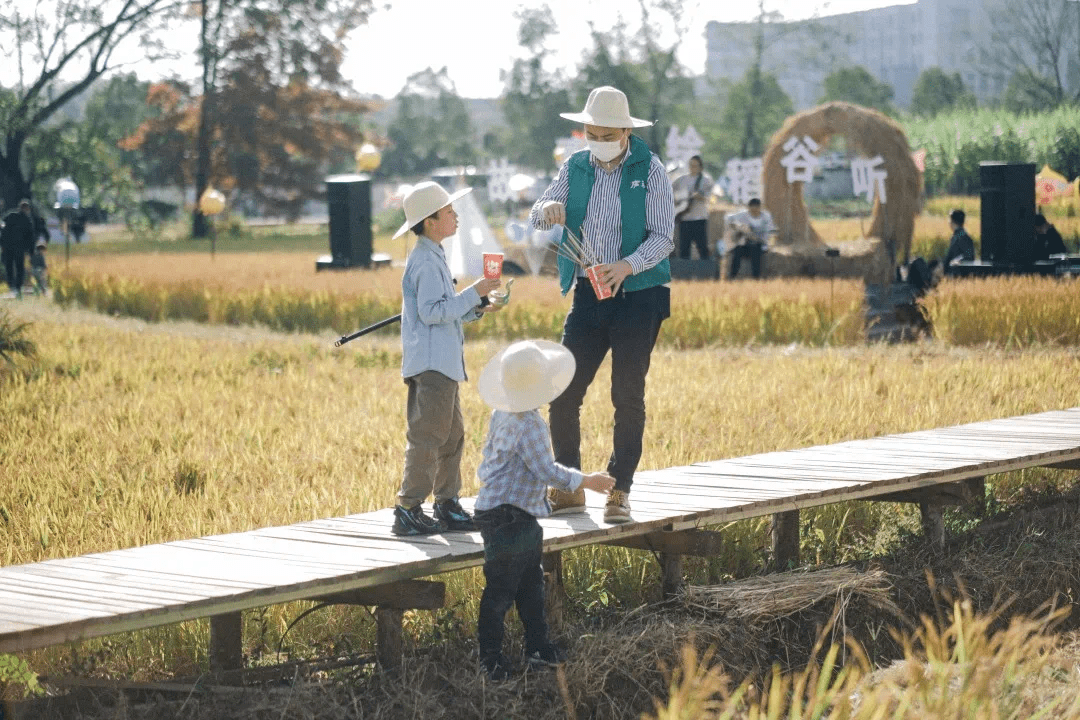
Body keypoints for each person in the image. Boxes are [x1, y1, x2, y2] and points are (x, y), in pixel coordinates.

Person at [530, 85, 674, 524]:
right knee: (563, 391)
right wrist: (549, 207)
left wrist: (628, 266)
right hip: (590, 293)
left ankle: (619, 488)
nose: (598, 139)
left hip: (639, 296)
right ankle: (570, 486)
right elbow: (537, 212)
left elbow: (664, 235)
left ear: (625, 131)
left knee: (626, 396)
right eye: (591, 131)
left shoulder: (650, 169)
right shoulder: (574, 167)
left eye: (607, 132)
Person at [472, 339, 616, 679]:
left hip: (501, 512)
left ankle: (537, 646)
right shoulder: (531, 425)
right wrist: (587, 481)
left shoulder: (502, 414)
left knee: (528, 584)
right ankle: (490, 660)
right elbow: (547, 471)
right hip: (511, 517)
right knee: (504, 589)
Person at [391, 181, 503, 537]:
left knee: (452, 436)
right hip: (432, 365)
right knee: (428, 436)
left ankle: (447, 503)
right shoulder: (424, 260)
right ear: (430, 221)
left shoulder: (432, 253)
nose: (455, 217)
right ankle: (408, 508)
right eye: (449, 212)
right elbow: (431, 312)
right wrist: (474, 292)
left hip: (444, 364)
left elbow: (446, 310)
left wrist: (478, 306)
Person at [671, 155, 714, 259]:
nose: (693, 168)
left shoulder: (705, 180)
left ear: (700, 167)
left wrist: (700, 197)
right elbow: (671, 192)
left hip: (700, 217)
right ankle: (684, 271)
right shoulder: (681, 180)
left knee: (702, 246)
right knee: (684, 246)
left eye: (695, 166)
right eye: (691, 165)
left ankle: (705, 271)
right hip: (684, 217)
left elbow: (711, 198)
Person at [725, 198, 775, 279]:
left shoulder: (766, 217)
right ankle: (732, 277)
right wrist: (739, 227)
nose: (754, 213)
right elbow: (727, 218)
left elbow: (772, 232)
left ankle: (756, 278)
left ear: (760, 208)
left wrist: (769, 244)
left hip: (760, 245)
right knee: (737, 251)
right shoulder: (743, 215)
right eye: (752, 211)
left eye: (756, 210)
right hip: (745, 244)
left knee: (755, 251)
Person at [1, 200, 36, 298]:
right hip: (19, 248)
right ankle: (18, 286)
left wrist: (2, 244)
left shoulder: (9, 216)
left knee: (9, 266)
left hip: (8, 247)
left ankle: (11, 285)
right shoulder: (27, 220)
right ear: (26, 209)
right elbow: (31, 237)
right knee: (19, 267)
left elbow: (2, 230)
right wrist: (31, 251)